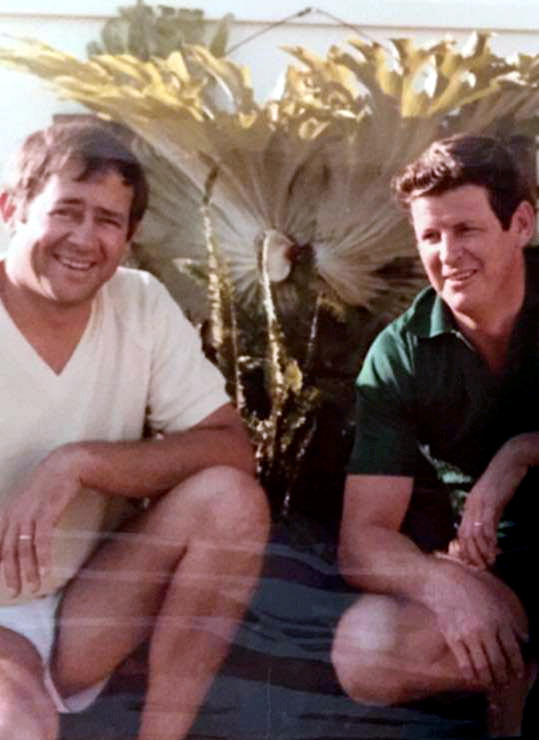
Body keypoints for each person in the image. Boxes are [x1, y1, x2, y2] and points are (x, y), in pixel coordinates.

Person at [0, 121, 269, 740]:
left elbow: (230, 448)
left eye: (107, 220)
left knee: (229, 500)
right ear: (12, 208)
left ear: (129, 236)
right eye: (66, 211)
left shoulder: (139, 303)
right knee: (19, 722)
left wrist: (79, 463)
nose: (84, 238)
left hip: (89, 603)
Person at [331, 134, 539, 736]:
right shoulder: (401, 353)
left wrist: (520, 453)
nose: (448, 255)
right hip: (498, 572)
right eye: (430, 236)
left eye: (466, 230)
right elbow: (362, 537)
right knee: (365, 649)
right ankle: (517, 673)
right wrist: (446, 586)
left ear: (521, 224)